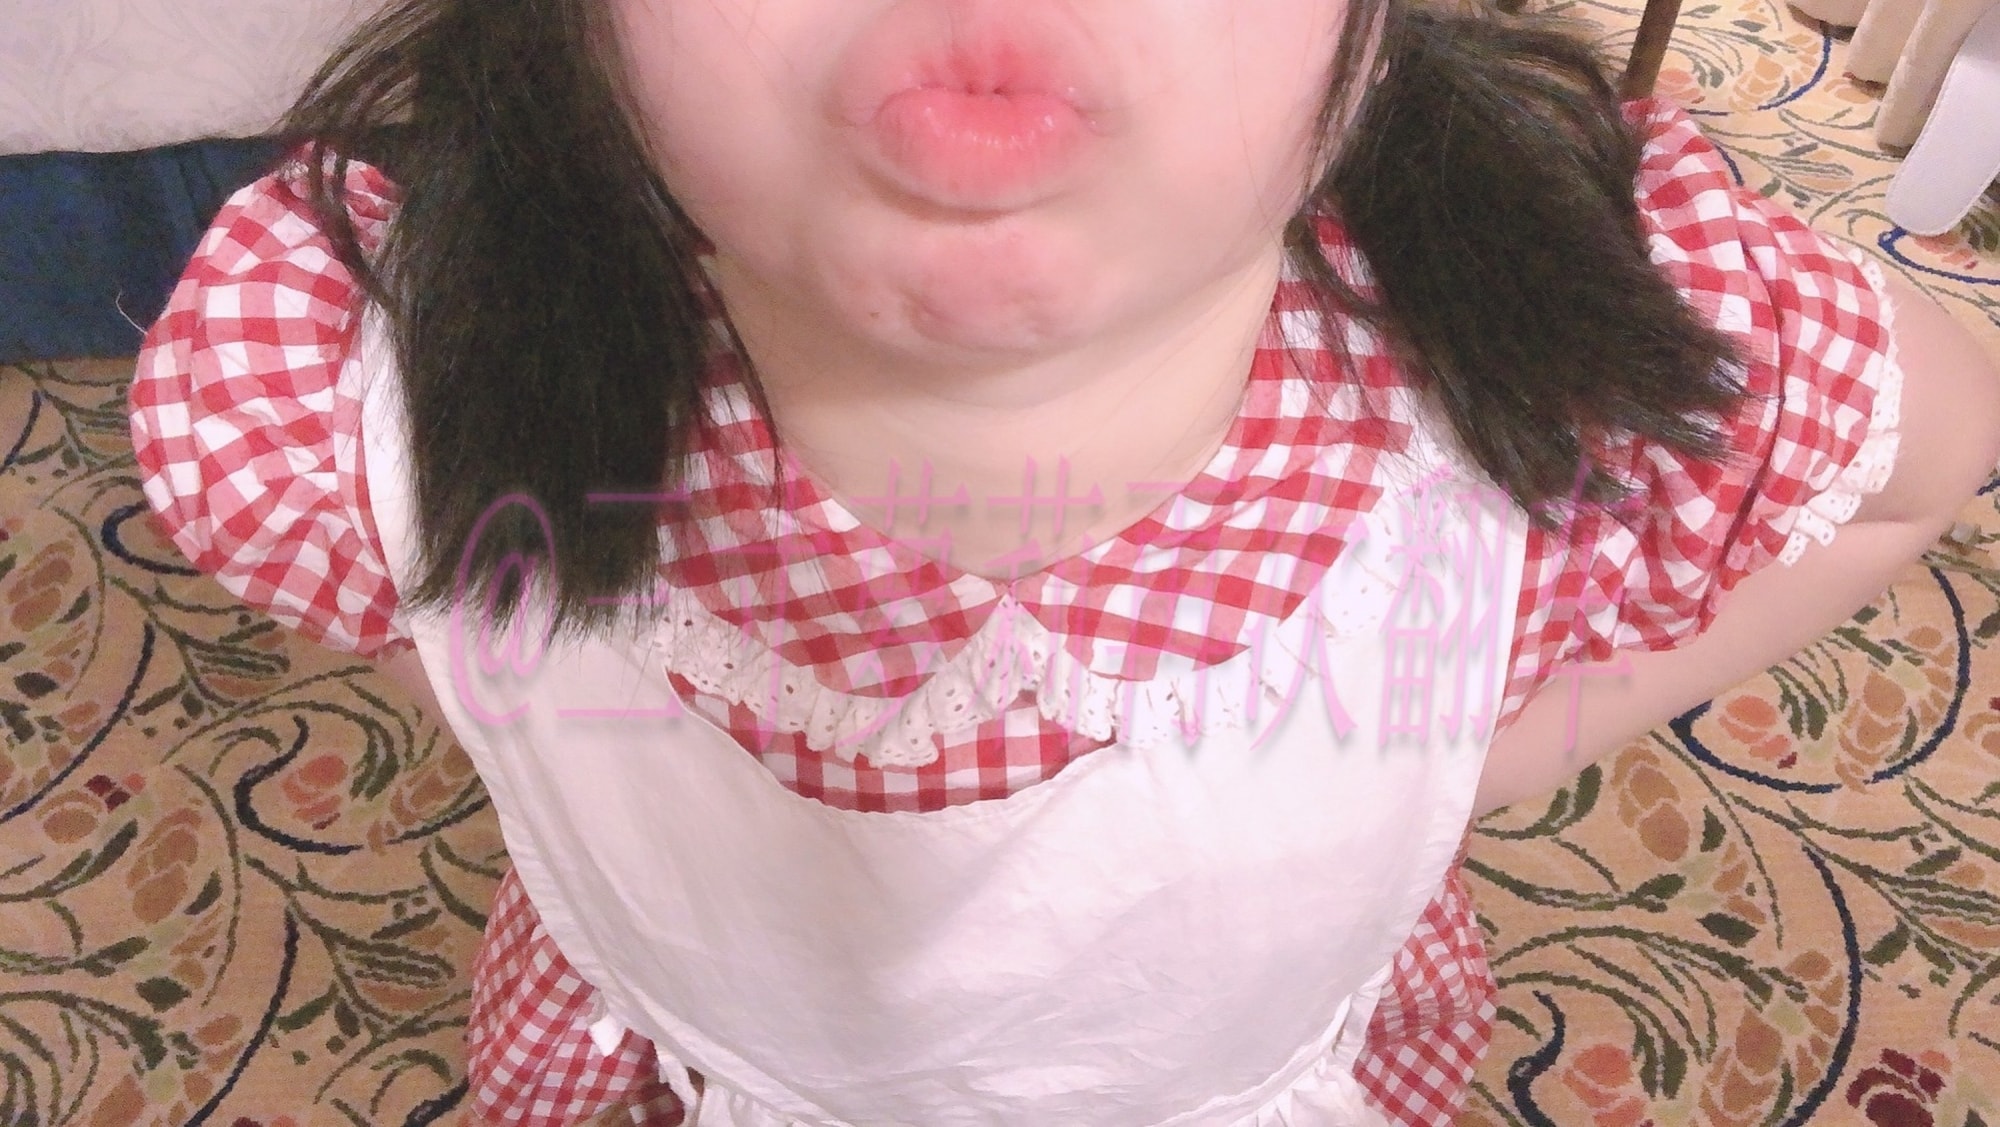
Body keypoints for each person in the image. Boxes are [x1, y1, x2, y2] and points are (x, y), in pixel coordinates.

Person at [129, 0, 2000, 1122]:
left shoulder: (1569, 374)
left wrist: (1494, 744)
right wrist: (549, 737)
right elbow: (415, 622)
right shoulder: (355, 383)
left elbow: (1927, 460)